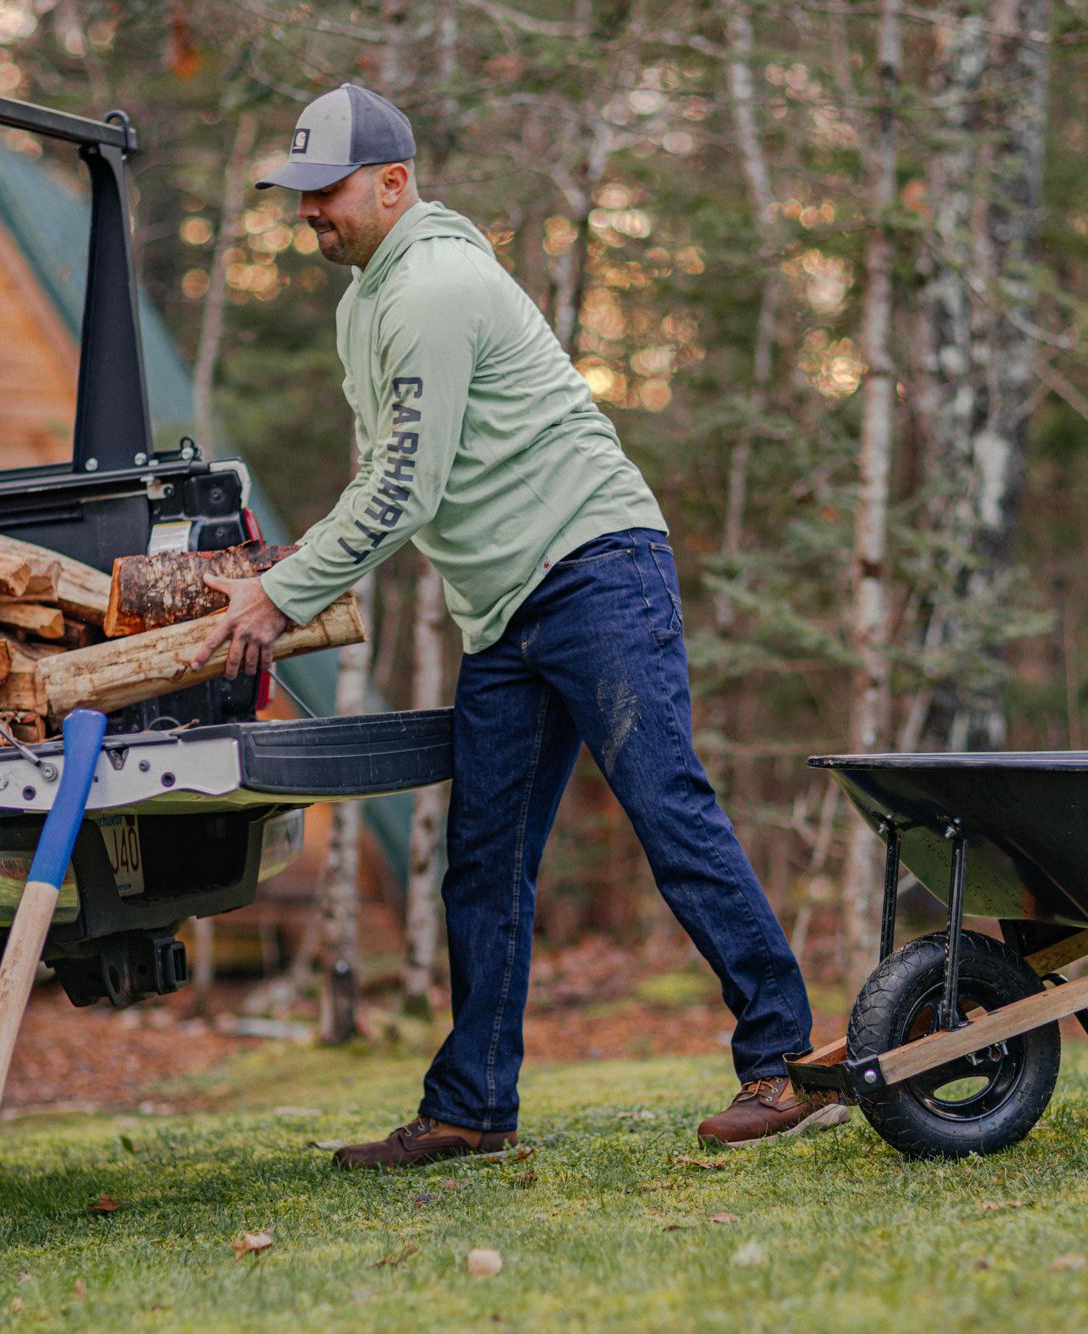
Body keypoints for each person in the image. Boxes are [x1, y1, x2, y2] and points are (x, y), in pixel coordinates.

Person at [193, 84, 840, 1166]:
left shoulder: (435, 287)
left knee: (664, 807)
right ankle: (471, 1106)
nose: (308, 211)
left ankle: (782, 1060)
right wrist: (297, 560)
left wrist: (281, 589)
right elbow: (393, 469)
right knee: (483, 858)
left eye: (326, 190)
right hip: (505, 609)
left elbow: (402, 486)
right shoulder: (367, 300)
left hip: (595, 568)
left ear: (394, 183)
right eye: (297, 193)